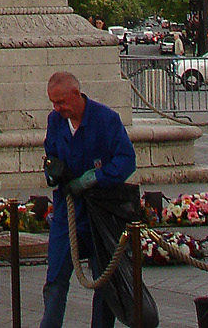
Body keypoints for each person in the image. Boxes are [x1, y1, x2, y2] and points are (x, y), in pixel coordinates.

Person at [39, 70, 136, 328]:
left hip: (101, 213)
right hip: (67, 211)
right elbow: (50, 153)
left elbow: (127, 160)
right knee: (55, 280)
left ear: (76, 93)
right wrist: (52, 172)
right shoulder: (55, 121)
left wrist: (96, 177)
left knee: (104, 283)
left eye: (60, 102)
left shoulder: (107, 120)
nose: (57, 107)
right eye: (53, 102)